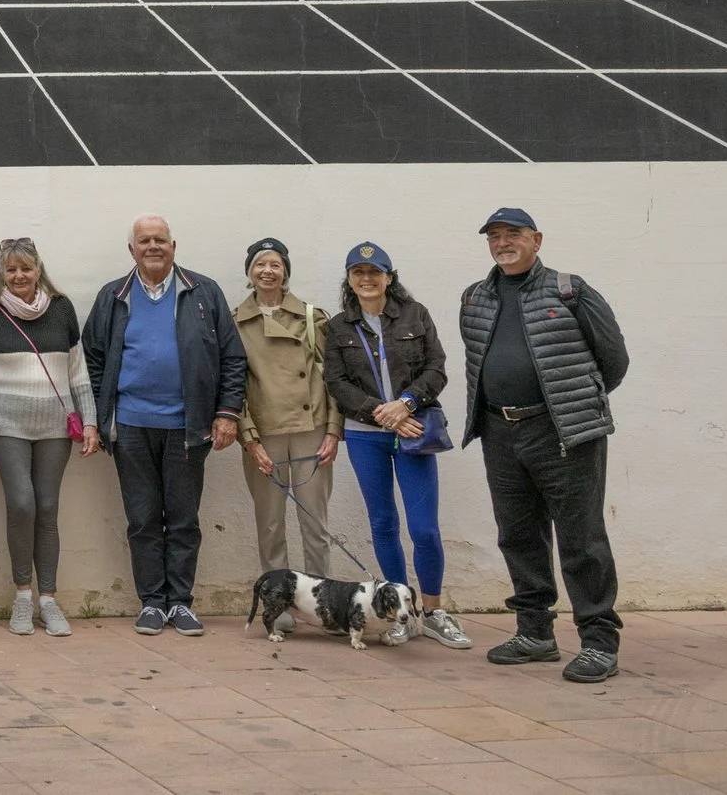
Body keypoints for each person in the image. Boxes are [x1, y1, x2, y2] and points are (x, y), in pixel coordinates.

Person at [461, 208, 628, 682]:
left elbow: (613, 360)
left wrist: (571, 405)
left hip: (564, 432)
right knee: (518, 535)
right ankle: (535, 634)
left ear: (536, 239)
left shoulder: (570, 290)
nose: (502, 242)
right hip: (499, 432)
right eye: (494, 236)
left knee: (582, 538)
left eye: (512, 234)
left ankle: (599, 642)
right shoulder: (475, 297)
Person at [82, 215, 246, 637]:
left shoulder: (202, 292)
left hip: (189, 428)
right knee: (142, 519)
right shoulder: (113, 296)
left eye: (160, 240)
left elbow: (232, 358)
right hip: (131, 427)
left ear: (174, 246)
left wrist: (227, 412)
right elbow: (92, 361)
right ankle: (152, 602)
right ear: (131, 249)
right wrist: (99, 421)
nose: (152, 246)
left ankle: (181, 603)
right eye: (144, 240)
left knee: (184, 518)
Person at [327, 241, 467, 649]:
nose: (366, 279)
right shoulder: (338, 326)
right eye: (358, 273)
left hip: (413, 431)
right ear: (350, 280)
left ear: (390, 277)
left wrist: (405, 405)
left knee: (424, 528)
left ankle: (435, 610)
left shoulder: (415, 314)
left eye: (375, 273)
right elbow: (336, 383)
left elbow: (436, 368)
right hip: (365, 435)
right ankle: (399, 613)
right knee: (384, 525)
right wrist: (380, 412)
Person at [0, 238, 99, 637]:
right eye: (11, 270)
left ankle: (49, 601)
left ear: (39, 270)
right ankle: (22, 597)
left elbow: (78, 371)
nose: (19, 276)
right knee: (22, 503)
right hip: (4, 423)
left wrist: (89, 421)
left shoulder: (62, 309)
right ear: (1, 274)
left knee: (48, 506)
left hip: (55, 424)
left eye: (26, 268)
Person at [232, 238, 340, 592]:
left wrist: (333, 431)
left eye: (275, 264)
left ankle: (322, 599)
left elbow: (334, 378)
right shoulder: (234, 323)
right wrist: (248, 439)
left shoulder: (312, 317)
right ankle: (279, 599)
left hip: (311, 429)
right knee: (270, 524)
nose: (268, 271)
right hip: (265, 433)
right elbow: (233, 386)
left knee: (315, 522)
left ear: (285, 272)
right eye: (260, 264)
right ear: (250, 273)